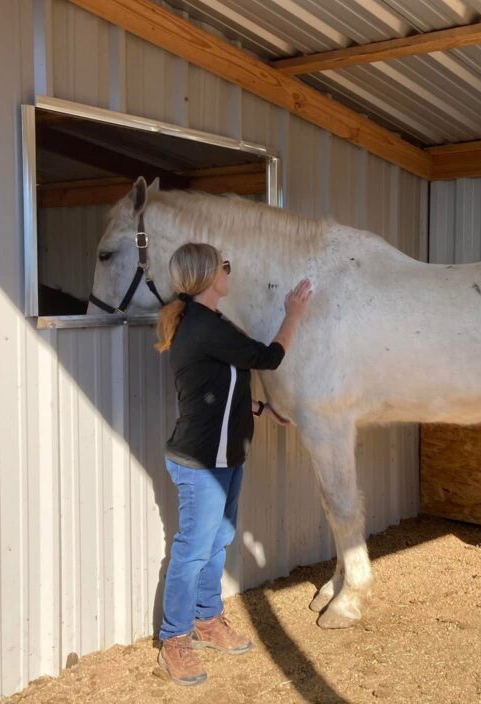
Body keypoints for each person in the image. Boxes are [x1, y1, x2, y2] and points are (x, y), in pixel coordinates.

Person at [153, 242, 312, 686]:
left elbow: (220, 386)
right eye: (224, 265)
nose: (229, 270)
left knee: (218, 539)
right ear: (206, 276)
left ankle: (207, 620)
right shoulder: (203, 326)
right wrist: (293, 314)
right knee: (193, 549)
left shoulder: (210, 323)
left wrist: (259, 410)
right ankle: (174, 641)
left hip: (225, 456)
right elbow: (267, 358)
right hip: (201, 461)